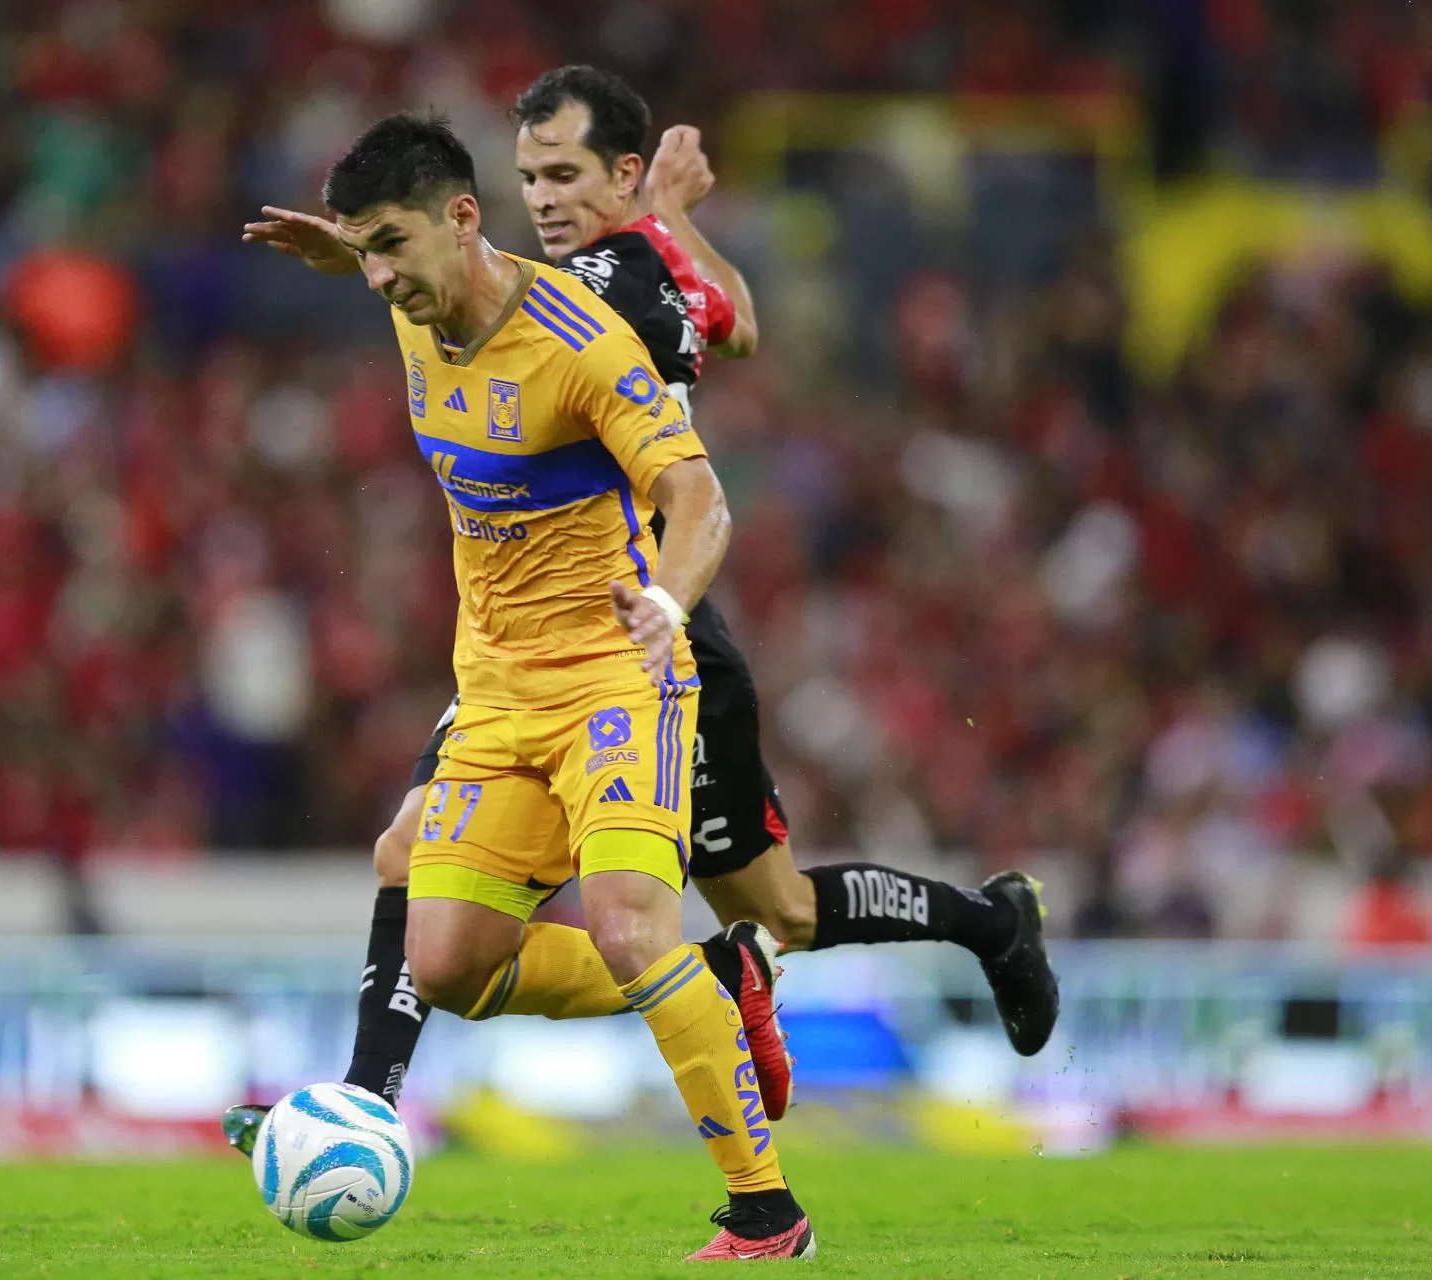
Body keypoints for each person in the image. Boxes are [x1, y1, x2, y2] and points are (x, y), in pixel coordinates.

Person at [231, 64, 1060, 1147]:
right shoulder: (601, 268)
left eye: (567, 172)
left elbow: (695, 399)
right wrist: (363, 249)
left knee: (773, 911)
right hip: (564, 634)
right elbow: (733, 323)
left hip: (643, 626)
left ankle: (983, 922)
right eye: (530, 173)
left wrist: (660, 229)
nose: (545, 195)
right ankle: (364, 1106)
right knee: (436, 855)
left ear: (625, 175)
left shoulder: (603, 294)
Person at [243, 110, 814, 1259]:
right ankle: (724, 971)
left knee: (624, 926)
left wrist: (668, 602)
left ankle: (767, 1213)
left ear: (465, 218)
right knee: (444, 958)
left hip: (616, 671)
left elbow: (701, 501)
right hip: (496, 689)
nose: (382, 277)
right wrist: (343, 248)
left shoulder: (577, 341)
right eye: (366, 251)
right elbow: (389, 274)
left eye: (393, 245)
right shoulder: (413, 302)